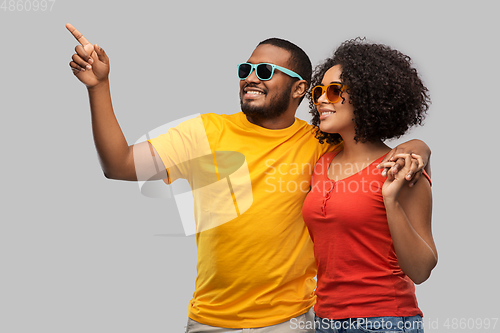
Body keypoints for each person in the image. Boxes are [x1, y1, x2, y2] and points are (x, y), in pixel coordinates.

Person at [66, 24, 432, 332]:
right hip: (210, 321)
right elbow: (119, 164)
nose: (252, 78)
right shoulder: (205, 132)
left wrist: (418, 146)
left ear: (298, 88)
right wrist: (98, 87)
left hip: (294, 322)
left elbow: (371, 145)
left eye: (266, 71)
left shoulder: (319, 145)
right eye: (246, 70)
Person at [302, 38, 437, 333]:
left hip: (383, 321)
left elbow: (421, 269)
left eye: (335, 91)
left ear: (368, 96)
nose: (322, 100)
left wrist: (391, 200)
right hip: (323, 320)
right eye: (319, 91)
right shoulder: (321, 164)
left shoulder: (401, 169)